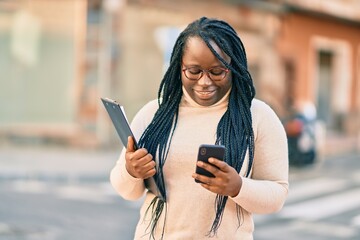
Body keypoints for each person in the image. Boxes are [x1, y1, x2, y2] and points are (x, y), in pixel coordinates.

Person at [110, 16, 289, 240]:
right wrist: (131, 172)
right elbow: (126, 190)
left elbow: (277, 194)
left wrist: (238, 187)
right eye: (194, 71)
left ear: (233, 68)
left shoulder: (258, 117)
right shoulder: (154, 114)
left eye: (217, 71)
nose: (205, 82)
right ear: (179, 68)